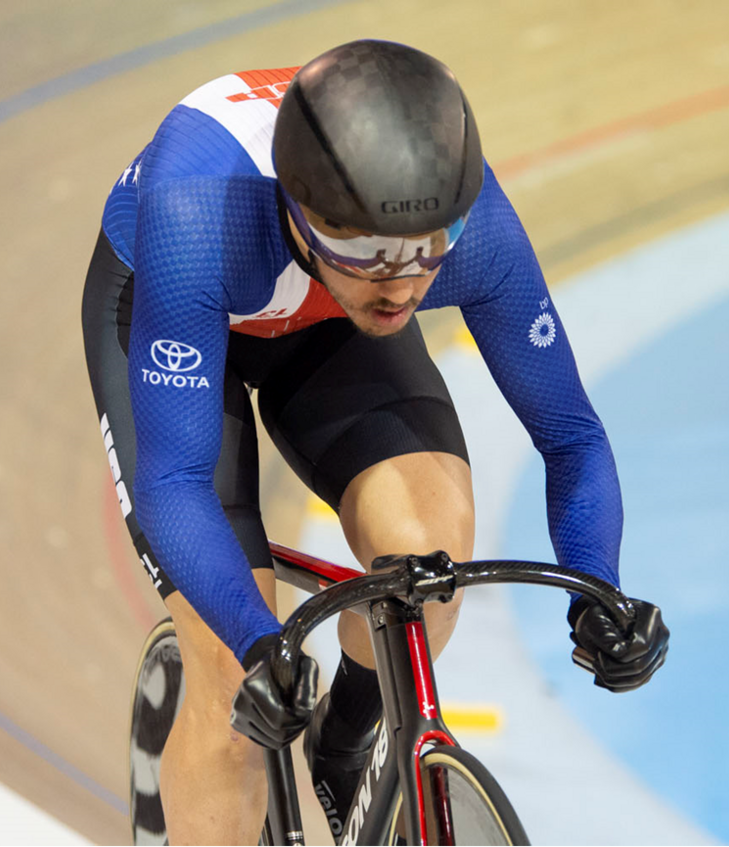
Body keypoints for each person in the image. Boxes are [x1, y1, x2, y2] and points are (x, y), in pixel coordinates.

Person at [82, 39, 669, 843]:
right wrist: (259, 644)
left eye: (429, 253)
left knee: (432, 562)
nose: (402, 284)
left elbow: (571, 437)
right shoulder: (196, 214)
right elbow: (175, 483)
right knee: (231, 694)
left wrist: (597, 586)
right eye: (369, 254)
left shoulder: (462, 238)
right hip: (178, 307)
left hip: (327, 317)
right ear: (298, 207)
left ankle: (348, 734)